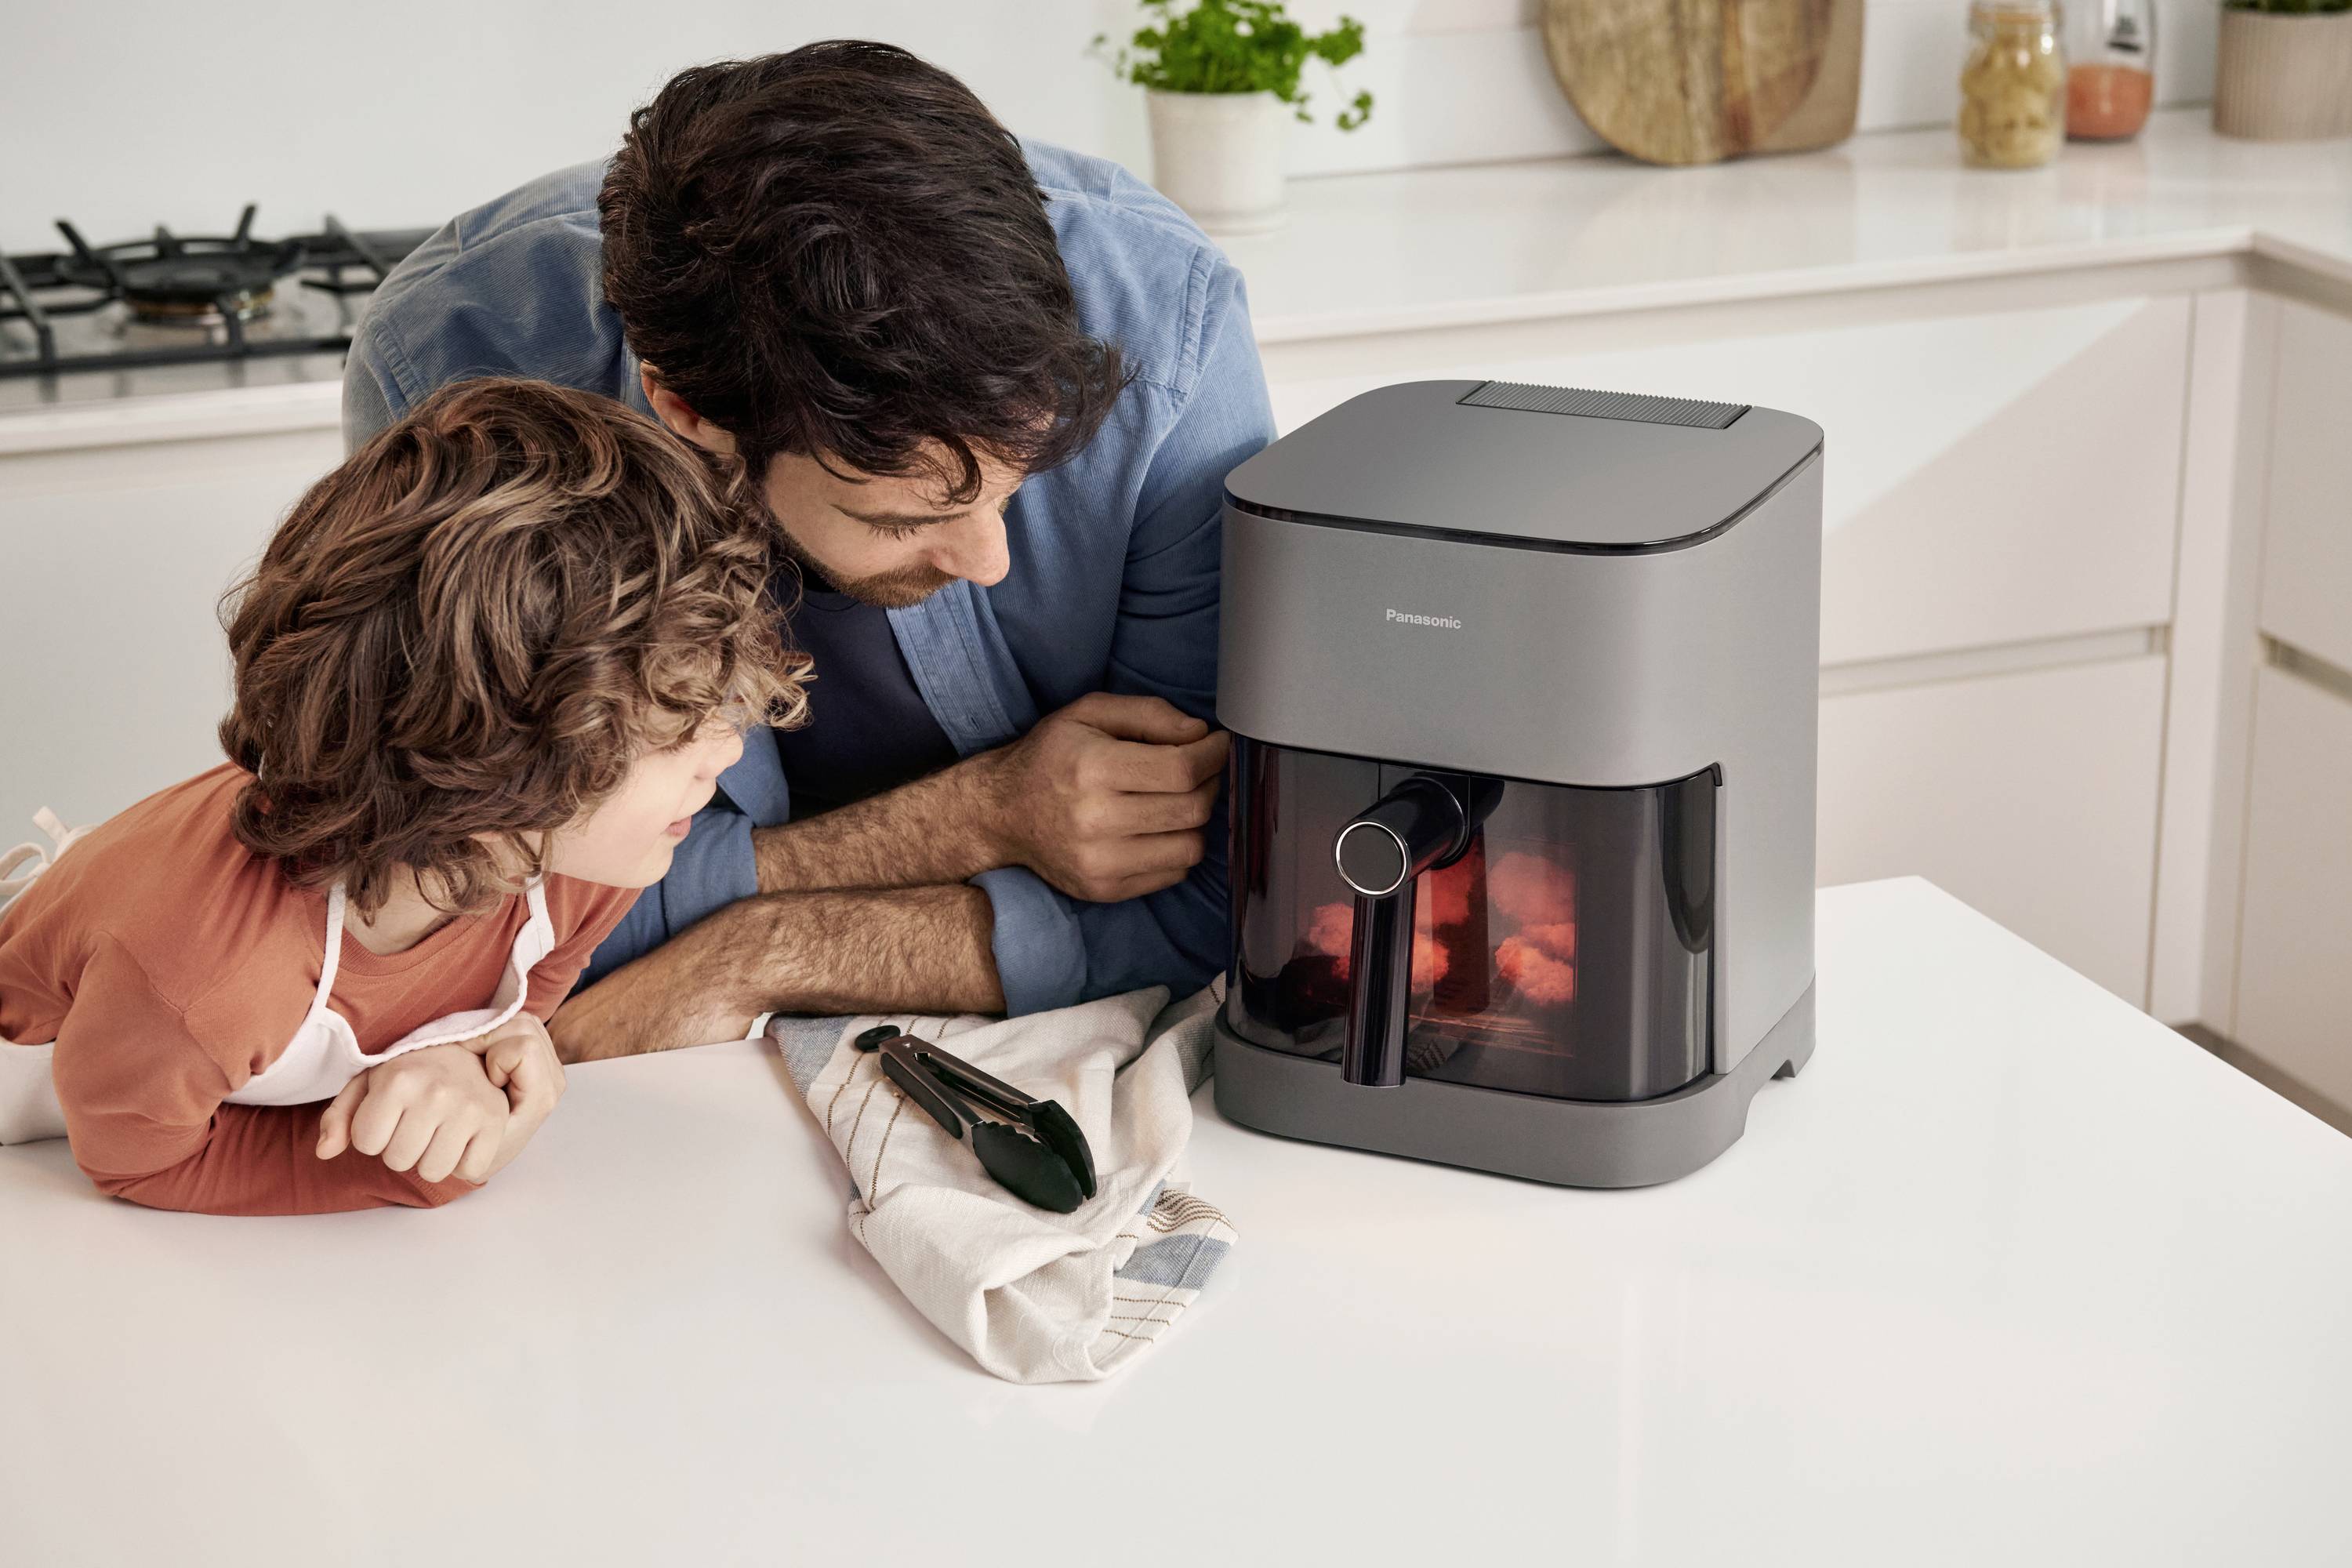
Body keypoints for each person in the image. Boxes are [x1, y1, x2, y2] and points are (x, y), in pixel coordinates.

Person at [343, 42, 1277, 1061]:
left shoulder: (1165, 325)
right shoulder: (454, 370)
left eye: (1014, 486)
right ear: (686, 411)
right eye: (898, 520)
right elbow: (483, 909)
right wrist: (979, 820)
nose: (987, 558)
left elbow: (1224, 899)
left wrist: (763, 950)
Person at [0, 379, 805, 1214]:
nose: (730, 749)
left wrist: (481, 1053)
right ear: (492, 770)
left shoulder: (584, 861)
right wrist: (406, 1169)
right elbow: (136, 1159)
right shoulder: (204, 982)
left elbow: (516, 999)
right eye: (675, 729)